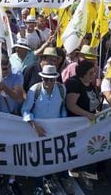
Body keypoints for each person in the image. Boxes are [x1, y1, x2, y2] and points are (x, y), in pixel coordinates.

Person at [21, 65, 73, 195]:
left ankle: (49, 179)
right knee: (39, 158)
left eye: (51, 79)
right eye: (46, 79)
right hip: (38, 131)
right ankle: (38, 185)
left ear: (56, 79)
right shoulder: (34, 90)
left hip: (55, 130)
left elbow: (62, 109)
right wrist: (34, 125)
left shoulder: (62, 89)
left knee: (53, 156)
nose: (48, 82)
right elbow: (25, 110)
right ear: (42, 78)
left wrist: (62, 123)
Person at [0, 55, 24, 194]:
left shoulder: (17, 75)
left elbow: (18, 98)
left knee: (14, 148)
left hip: (12, 117)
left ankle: (12, 180)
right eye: (1, 69)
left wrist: (5, 88)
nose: (5, 72)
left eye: (7, 69)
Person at [65, 59, 101, 191]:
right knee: (73, 149)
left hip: (87, 123)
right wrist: (87, 114)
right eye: (91, 73)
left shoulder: (89, 83)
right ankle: (67, 175)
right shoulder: (74, 83)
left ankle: (81, 172)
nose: (93, 75)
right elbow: (71, 105)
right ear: (82, 73)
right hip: (75, 124)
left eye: (94, 72)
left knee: (84, 149)